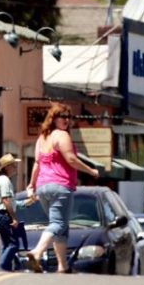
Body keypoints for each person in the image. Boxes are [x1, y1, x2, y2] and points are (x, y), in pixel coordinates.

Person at [24, 103, 100, 274]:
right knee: (57, 224)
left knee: (61, 226)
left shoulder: (42, 139)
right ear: (53, 118)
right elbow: (71, 159)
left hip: (43, 187)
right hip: (60, 186)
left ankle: (62, 266)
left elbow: (37, 163)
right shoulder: (62, 135)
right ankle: (37, 252)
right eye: (62, 116)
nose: (66, 120)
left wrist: (31, 184)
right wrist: (91, 170)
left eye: (68, 117)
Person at [0, 153, 25, 271]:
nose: (15, 168)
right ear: (6, 167)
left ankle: (6, 268)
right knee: (13, 244)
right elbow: (5, 200)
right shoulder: (5, 180)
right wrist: (14, 217)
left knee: (7, 244)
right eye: (13, 165)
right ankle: (2, 266)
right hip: (4, 214)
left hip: (0, 215)